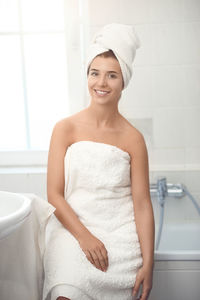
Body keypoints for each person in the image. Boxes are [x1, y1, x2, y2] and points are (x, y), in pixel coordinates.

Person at [43, 23, 155, 300]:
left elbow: (142, 203)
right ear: (87, 76)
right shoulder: (64, 128)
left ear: (123, 81)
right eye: (95, 73)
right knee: (65, 291)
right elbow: (54, 195)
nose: (101, 83)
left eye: (112, 75)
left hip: (120, 237)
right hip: (73, 229)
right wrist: (85, 237)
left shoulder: (134, 139)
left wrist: (149, 264)